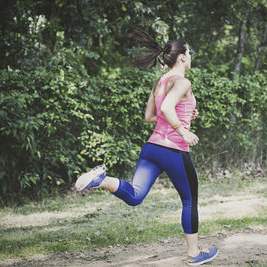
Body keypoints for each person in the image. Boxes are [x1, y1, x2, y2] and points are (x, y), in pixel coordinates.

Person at [75, 26, 219, 266]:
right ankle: (194, 254)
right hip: (174, 150)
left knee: (135, 195)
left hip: (152, 148)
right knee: (189, 200)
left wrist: (184, 117)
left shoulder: (160, 82)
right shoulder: (182, 81)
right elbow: (165, 109)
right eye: (190, 53)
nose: (191, 57)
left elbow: (150, 116)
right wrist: (183, 130)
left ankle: (101, 180)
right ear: (182, 56)